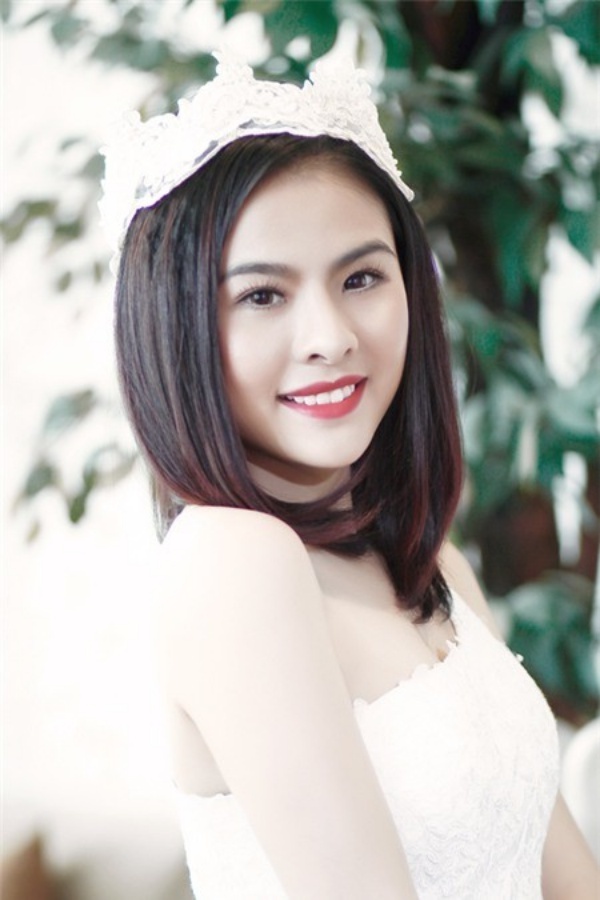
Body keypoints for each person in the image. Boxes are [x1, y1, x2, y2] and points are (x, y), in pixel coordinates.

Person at [100, 56, 599, 899]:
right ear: (175, 329)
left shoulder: (438, 569)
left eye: (361, 278)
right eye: (263, 296)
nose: (330, 336)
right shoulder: (230, 559)